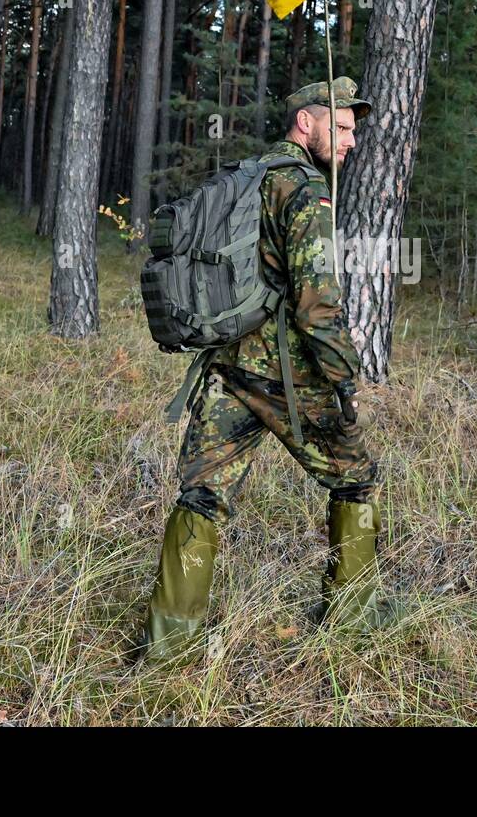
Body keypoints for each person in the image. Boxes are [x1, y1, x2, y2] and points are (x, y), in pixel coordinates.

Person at [136, 76, 393, 663]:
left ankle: (168, 648)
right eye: (344, 127)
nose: (353, 142)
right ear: (307, 122)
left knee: (202, 494)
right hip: (285, 375)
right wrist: (344, 378)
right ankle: (353, 628)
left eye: (355, 130)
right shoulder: (305, 190)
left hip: (228, 364)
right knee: (354, 478)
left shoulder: (251, 177)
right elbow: (317, 300)